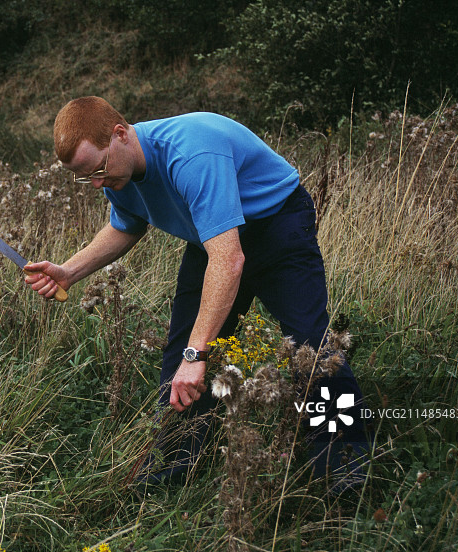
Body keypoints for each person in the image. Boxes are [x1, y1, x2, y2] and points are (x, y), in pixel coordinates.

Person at [24, 96, 367, 485]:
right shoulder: (117, 172)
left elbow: (229, 260)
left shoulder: (190, 155)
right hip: (213, 238)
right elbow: (126, 225)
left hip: (276, 225)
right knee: (179, 352)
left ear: (120, 134)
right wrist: (69, 271)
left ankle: (343, 467)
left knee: (310, 347)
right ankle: (173, 468)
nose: (98, 183)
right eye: (86, 178)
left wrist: (197, 352)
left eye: (98, 170)